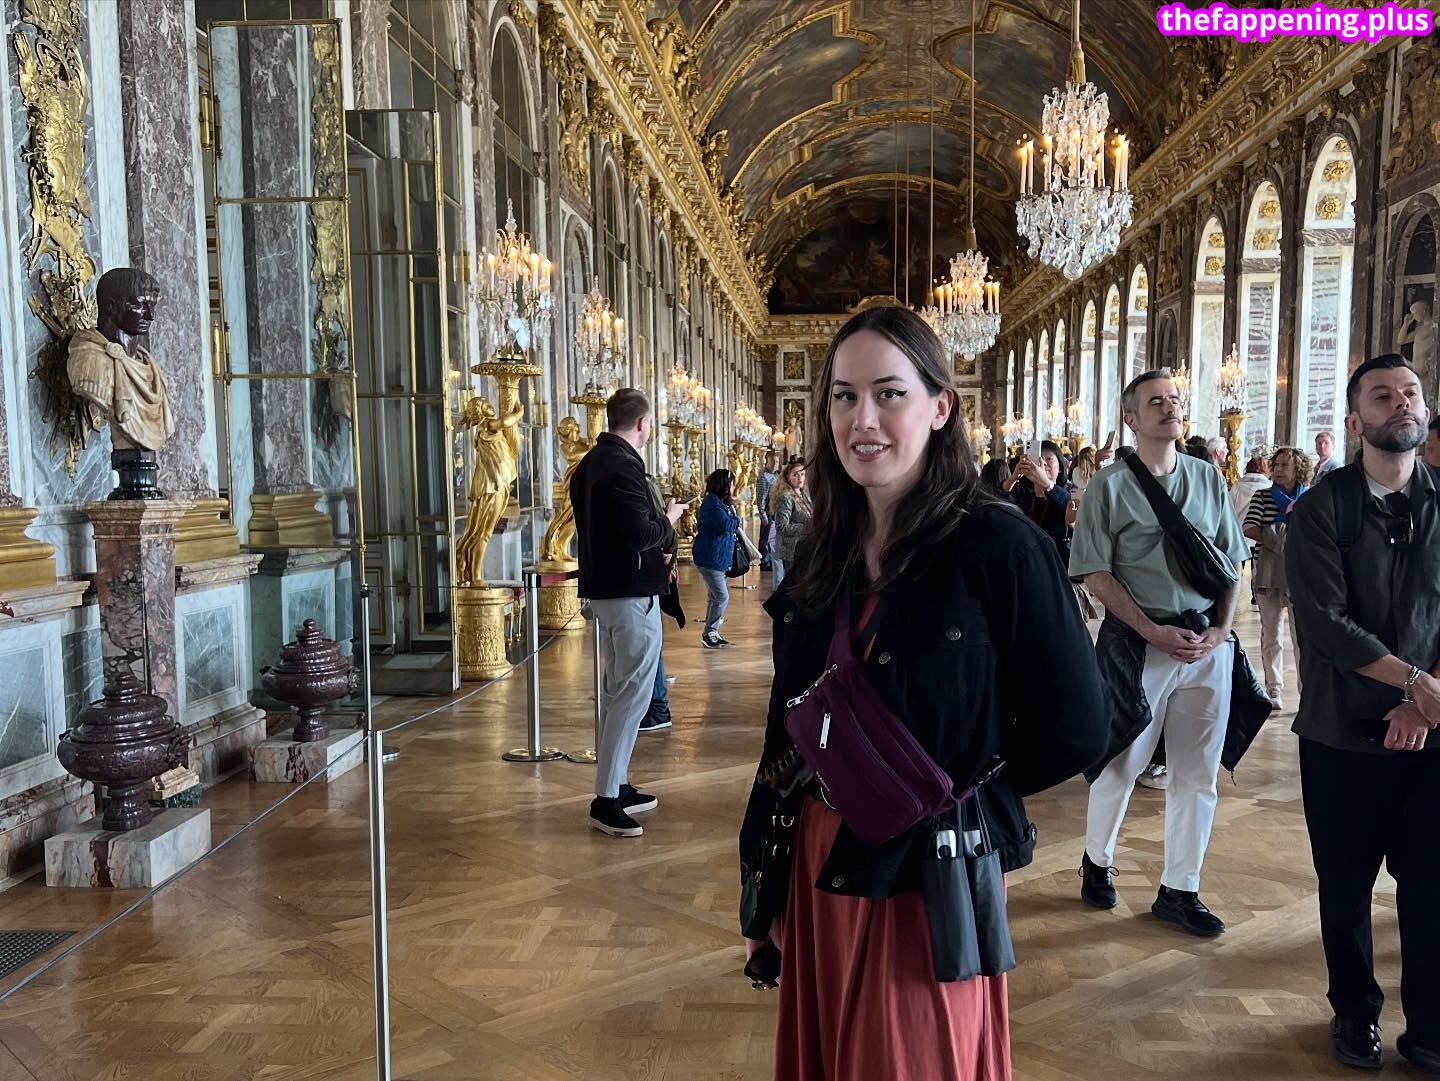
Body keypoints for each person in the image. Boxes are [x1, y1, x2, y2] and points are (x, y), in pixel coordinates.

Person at [739, 305, 1108, 1080]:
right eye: (844, 396)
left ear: (940, 406)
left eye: (889, 393)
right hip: (822, 856)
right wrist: (760, 884)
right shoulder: (822, 552)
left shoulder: (1000, 544)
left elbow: (1078, 723)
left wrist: (954, 791)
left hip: (927, 870)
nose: (863, 419)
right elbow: (787, 730)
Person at [1286, 354, 1440, 1073]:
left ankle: (1431, 1023)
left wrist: (1423, 700)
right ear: (1355, 421)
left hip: (1432, 732)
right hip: (1341, 734)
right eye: (1382, 395)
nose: (1401, 402)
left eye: (1410, 392)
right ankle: (1355, 1013)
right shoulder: (1323, 508)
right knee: (1346, 885)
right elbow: (1326, 624)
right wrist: (1412, 684)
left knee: (1433, 883)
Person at [1069, 368, 1254, 937]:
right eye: (1156, 401)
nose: (1170, 407)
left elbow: (1230, 560)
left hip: (1204, 645)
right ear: (1131, 418)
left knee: (1197, 773)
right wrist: (1151, 630)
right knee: (1123, 760)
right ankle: (1096, 860)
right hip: (1138, 644)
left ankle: (1180, 889)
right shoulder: (1108, 487)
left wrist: (1222, 630)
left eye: (1174, 398)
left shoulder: (1206, 477)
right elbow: (1095, 572)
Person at [571, 389, 685, 837]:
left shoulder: (590, 463)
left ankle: (616, 784)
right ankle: (605, 799)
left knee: (620, 691)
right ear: (642, 424)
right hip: (629, 592)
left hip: (607, 590)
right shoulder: (622, 465)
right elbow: (640, 534)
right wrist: (669, 517)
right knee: (632, 694)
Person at [1244, 447, 1312, 709]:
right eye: (1277, 465)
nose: (1279, 470)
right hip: (1268, 572)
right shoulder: (1263, 496)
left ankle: (1306, 691)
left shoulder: (1309, 497)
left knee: (1301, 636)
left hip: (1299, 572)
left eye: (1285, 465)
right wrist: (1282, 537)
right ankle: (1273, 687)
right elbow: (1250, 527)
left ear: (1298, 469)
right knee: (1271, 633)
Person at [693, 468, 741, 649]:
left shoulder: (719, 502)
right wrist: (738, 520)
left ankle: (710, 632)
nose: (734, 487)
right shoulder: (712, 504)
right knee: (721, 597)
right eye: (732, 484)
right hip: (710, 558)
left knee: (714, 597)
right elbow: (727, 524)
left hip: (717, 558)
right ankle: (710, 632)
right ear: (724, 485)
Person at [1004, 440, 1073, 563]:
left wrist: (1047, 484)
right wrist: (1013, 478)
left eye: (1049, 459)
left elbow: (1069, 505)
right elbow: (999, 503)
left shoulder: (1065, 497)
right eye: (1038, 458)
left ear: (1060, 468)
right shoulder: (1024, 500)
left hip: (1056, 565)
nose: (1043, 463)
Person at [769, 458, 811, 588]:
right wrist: (806, 528)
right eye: (795, 474)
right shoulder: (786, 497)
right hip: (791, 549)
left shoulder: (804, 495)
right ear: (788, 477)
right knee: (793, 586)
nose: (800, 478)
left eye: (802, 474)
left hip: (803, 548)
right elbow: (782, 526)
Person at [757, 450, 780, 571]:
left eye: (777, 462)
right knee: (765, 538)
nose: (775, 464)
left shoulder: (775, 476)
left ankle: (770, 560)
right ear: (767, 461)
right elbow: (761, 498)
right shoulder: (764, 478)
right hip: (768, 511)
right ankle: (765, 562)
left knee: (772, 537)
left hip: (775, 511)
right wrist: (762, 515)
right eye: (773, 461)